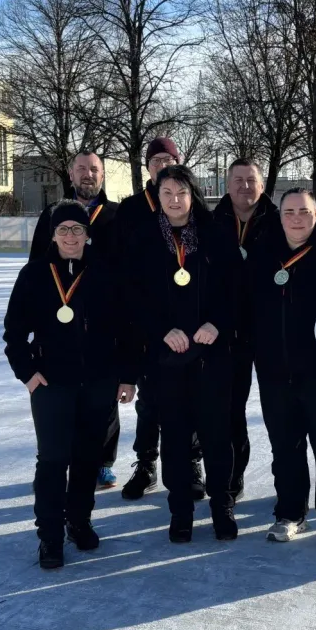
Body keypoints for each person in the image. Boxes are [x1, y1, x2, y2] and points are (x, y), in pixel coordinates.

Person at [3, 202, 137, 570]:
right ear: (53, 234)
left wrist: (127, 376)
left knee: (86, 458)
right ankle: (49, 535)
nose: (71, 236)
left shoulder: (107, 273)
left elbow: (127, 330)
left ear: (87, 234)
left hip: (98, 382)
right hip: (51, 384)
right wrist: (28, 374)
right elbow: (13, 334)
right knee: (52, 460)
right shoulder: (33, 274)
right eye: (63, 230)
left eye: (77, 229)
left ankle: (78, 521)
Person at [125, 164, 239, 542]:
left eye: (182, 192)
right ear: (157, 198)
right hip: (167, 360)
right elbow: (133, 298)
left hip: (211, 355)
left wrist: (217, 324)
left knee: (216, 435)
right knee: (174, 437)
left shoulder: (216, 234)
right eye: (167, 193)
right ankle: (181, 512)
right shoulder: (142, 238)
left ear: (193, 194)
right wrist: (161, 330)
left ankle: (221, 504)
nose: (175, 200)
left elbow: (237, 292)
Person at [247, 188, 316, 549]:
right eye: (289, 211)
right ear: (279, 216)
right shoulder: (263, 253)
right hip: (275, 372)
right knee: (285, 447)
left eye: (304, 212)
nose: (296, 218)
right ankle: (290, 513)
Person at [114, 137, 206, 503]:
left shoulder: (197, 211)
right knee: (149, 401)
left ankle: (192, 462)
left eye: (169, 158)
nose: (162, 164)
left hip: (189, 325)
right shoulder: (133, 209)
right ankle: (146, 463)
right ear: (147, 168)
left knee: (190, 400)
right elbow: (125, 273)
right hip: (147, 325)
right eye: (156, 160)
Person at [28, 150, 121, 489]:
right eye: (81, 168)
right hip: (60, 318)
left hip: (101, 318)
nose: (88, 174)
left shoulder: (114, 215)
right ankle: (61, 459)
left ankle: (103, 462)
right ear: (71, 174)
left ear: (102, 175)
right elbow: (36, 264)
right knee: (63, 396)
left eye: (94, 169)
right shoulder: (52, 214)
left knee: (104, 399)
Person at [211, 158, 277, 500]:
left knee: (278, 412)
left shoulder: (279, 221)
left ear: (262, 185)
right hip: (227, 334)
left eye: (251, 180)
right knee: (230, 410)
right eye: (237, 180)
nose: (244, 186)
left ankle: (287, 485)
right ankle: (232, 477)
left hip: (269, 334)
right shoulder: (211, 222)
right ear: (227, 184)